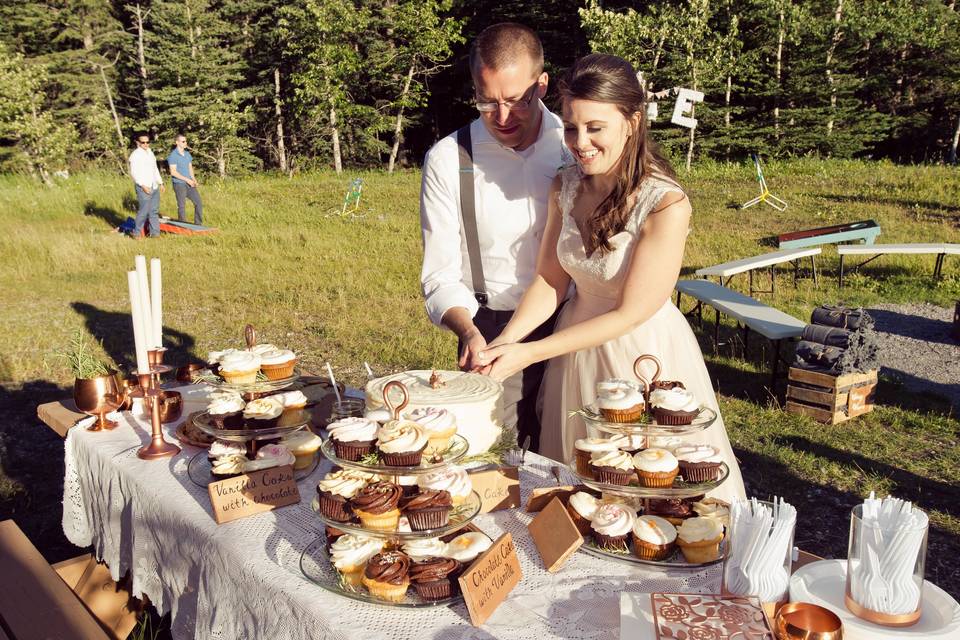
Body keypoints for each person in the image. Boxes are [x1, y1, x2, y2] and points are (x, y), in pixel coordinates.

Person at [477, 53, 745, 501]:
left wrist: (530, 352)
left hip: (641, 353)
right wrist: (508, 341)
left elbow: (631, 313)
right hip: (575, 351)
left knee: (649, 484)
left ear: (632, 122)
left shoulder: (665, 203)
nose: (580, 143)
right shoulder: (564, 185)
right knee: (584, 486)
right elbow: (550, 280)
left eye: (595, 128)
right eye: (570, 127)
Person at [419, 23, 571, 453]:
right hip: (494, 329)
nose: (502, 117)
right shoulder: (449, 159)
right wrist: (467, 330)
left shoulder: (575, 145)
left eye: (516, 101)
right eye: (488, 102)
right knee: (501, 458)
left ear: (541, 85)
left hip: (578, 323)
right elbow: (440, 272)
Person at [128, 132, 164, 238]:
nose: (145, 144)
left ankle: (155, 234)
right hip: (143, 187)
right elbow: (134, 173)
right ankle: (137, 233)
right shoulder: (135, 155)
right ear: (138, 143)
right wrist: (143, 186)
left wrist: (160, 182)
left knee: (154, 211)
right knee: (143, 211)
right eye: (143, 142)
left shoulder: (150, 152)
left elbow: (155, 169)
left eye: (147, 142)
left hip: (154, 185)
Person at [166, 133, 203, 225]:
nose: (185, 143)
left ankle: (198, 224)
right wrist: (187, 180)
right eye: (183, 141)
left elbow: (190, 167)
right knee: (182, 205)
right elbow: (173, 172)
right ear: (177, 142)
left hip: (189, 183)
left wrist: (193, 179)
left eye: (186, 141)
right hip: (179, 184)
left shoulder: (187, 154)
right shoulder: (173, 155)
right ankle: (183, 225)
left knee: (198, 202)